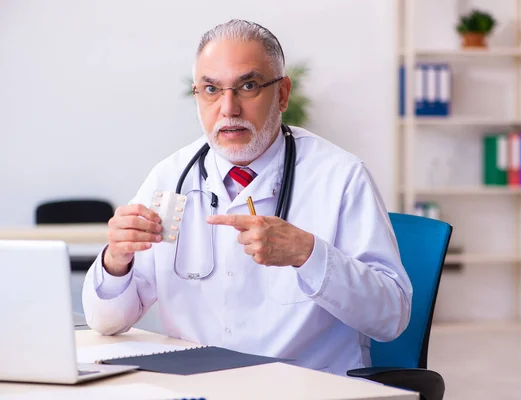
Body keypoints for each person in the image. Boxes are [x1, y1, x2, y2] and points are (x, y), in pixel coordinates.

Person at [82, 19, 412, 376]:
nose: (228, 108)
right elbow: (106, 322)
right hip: (199, 385)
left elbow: (390, 317)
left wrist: (308, 254)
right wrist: (117, 260)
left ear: (282, 93)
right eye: (211, 89)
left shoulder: (341, 177)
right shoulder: (170, 177)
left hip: (307, 387)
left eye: (248, 86)